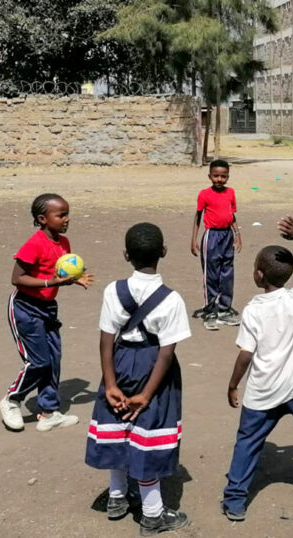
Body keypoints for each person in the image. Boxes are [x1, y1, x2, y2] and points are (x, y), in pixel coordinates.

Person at [221, 217, 293, 521]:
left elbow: (246, 354)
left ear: (259, 275)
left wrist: (233, 384)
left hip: (263, 392)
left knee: (247, 443)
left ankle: (235, 500)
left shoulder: (254, 310)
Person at [86, 222, 191, 536]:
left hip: (118, 363)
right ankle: (153, 514)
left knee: (118, 426)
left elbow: (106, 339)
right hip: (153, 368)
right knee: (148, 435)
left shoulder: (112, 290)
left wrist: (110, 383)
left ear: (125, 254)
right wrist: (146, 394)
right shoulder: (171, 300)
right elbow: (167, 352)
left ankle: (117, 497)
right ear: (164, 252)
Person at [0, 193, 93, 433]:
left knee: (53, 359)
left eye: (67, 213)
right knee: (38, 361)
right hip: (25, 308)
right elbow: (17, 278)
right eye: (61, 215)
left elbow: (58, 275)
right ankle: (11, 400)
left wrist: (73, 279)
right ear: (42, 218)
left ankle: (48, 412)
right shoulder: (34, 243)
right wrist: (52, 282)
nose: (66, 219)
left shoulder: (64, 243)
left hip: (48, 308)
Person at [190, 159, 242, 331]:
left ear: (228, 177)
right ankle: (210, 311)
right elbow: (197, 217)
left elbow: (231, 215)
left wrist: (237, 234)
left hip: (227, 235)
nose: (219, 179)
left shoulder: (231, 193)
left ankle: (224, 310)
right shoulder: (204, 194)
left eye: (223, 176)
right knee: (211, 274)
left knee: (227, 273)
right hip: (211, 237)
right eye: (216, 176)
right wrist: (194, 239)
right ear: (210, 176)